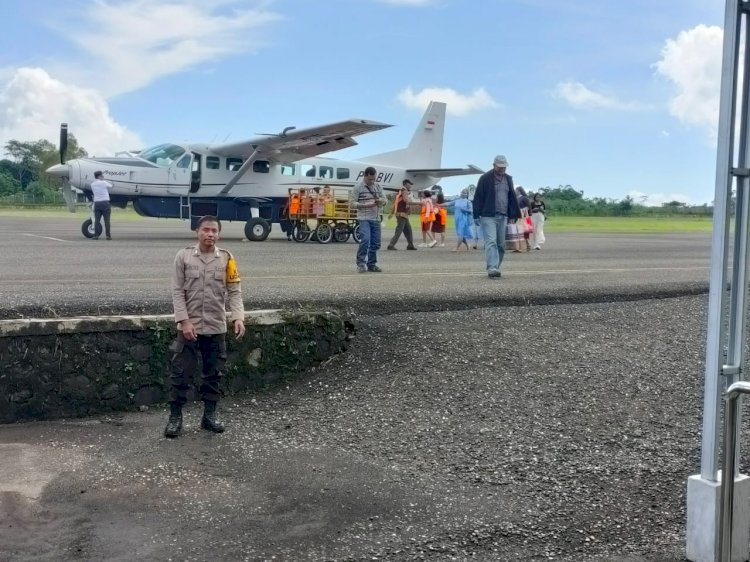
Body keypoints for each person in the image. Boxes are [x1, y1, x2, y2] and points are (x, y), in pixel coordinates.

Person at [164, 215, 246, 438]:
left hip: (215, 326)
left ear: (218, 234)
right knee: (180, 374)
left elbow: (234, 290)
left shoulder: (227, 258)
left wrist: (238, 317)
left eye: (214, 231)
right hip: (189, 328)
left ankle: (209, 416)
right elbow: (177, 291)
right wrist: (184, 321)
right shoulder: (184, 257)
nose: (210, 234)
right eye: (206, 230)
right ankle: (175, 418)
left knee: (214, 374)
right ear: (197, 231)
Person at [472, 155, 521, 278]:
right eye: (500, 167)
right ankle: (492, 268)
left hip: (503, 215)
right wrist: (476, 214)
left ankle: (496, 266)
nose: (502, 169)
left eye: (504, 167)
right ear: (494, 165)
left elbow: (511, 198)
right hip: (488, 215)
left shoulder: (508, 179)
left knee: (501, 245)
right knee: (491, 242)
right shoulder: (485, 178)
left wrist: (513, 213)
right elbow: (478, 197)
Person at [352, 166, 387, 273]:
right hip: (364, 218)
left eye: (373, 179)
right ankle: (361, 264)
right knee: (365, 239)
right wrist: (365, 205)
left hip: (376, 218)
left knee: (376, 243)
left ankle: (372, 264)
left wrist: (380, 201)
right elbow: (353, 203)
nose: (372, 181)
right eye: (370, 179)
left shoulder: (378, 186)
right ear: (365, 176)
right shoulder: (357, 188)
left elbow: (385, 200)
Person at [387, 179, 417, 250]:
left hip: (402, 214)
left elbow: (396, 203)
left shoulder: (400, 191)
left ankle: (410, 245)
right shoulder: (404, 191)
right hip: (402, 214)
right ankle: (391, 245)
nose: (411, 186)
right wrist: (420, 203)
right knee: (399, 230)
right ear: (406, 184)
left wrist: (391, 213)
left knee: (408, 230)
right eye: (410, 184)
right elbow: (406, 200)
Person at [91, 171, 113, 240]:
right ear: (99, 176)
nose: (103, 177)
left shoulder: (92, 184)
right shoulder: (103, 182)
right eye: (102, 176)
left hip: (97, 203)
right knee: (107, 220)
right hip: (105, 203)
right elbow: (111, 186)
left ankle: (96, 236)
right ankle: (108, 236)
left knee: (97, 220)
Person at [515, 186, 531, 253]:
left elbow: (528, 207)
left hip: (524, 217)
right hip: (518, 216)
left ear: (519, 191)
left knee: (524, 231)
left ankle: (526, 245)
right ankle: (520, 246)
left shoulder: (524, 198)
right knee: (518, 232)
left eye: (516, 190)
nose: (515, 191)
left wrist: (521, 211)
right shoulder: (516, 198)